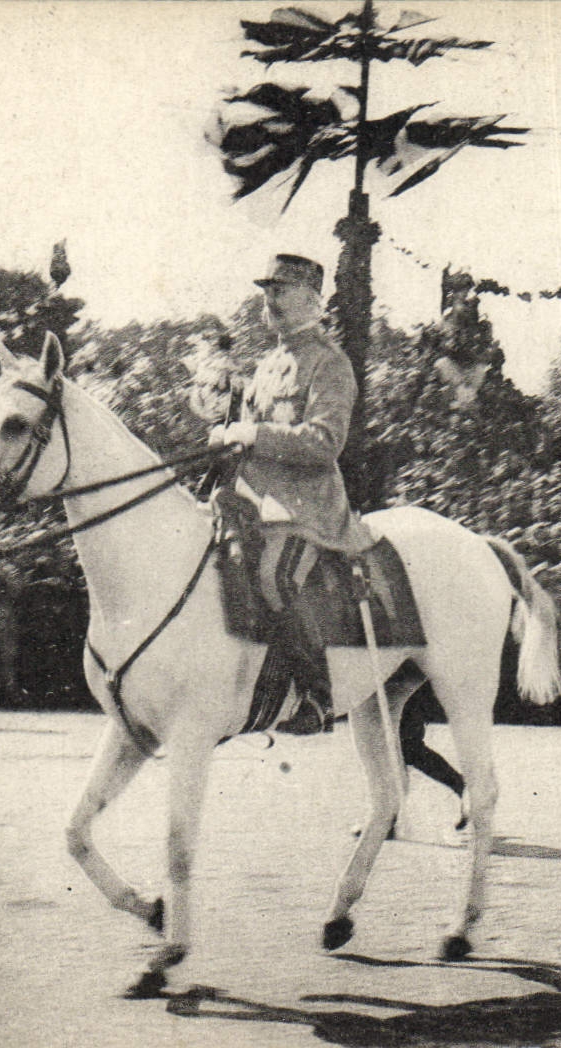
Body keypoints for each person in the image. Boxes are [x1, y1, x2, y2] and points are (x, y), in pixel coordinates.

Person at [210, 254, 357, 734]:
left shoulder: (329, 362)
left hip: (304, 508)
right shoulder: (268, 363)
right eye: (267, 291)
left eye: (280, 291)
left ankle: (317, 697)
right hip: (251, 501)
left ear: (312, 300)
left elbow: (325, 442)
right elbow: (247, 432)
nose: (269, 300)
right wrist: (226, 432)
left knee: (276, 576)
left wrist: (254, 435)